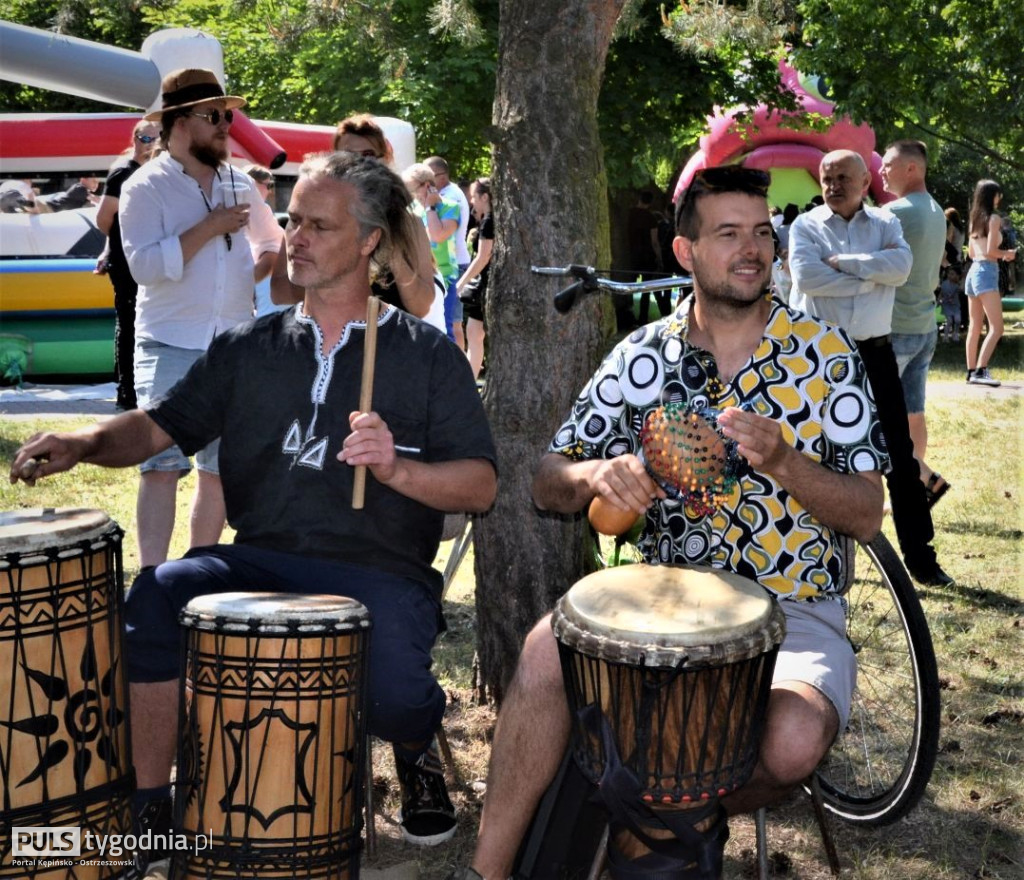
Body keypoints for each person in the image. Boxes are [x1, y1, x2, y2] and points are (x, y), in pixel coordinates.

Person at [10, 150, 498, 861]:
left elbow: (480, 485)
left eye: (317, 226)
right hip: (260, 558)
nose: (294, 238)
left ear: (367, 242)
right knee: (157, 594)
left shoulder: (424, 354)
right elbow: (156, 427)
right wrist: (85, 441)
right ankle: (151, 806)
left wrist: (395, 469)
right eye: (292, 220)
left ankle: (417, 747)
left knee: (395, 690)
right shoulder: (248, 347)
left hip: (380, 569)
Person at [458, 165, 887, 880]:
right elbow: (546, 481)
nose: (752, 250)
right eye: (728, 235)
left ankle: (651, 812)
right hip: (659, 603)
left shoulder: (826, 356)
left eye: (762, 234)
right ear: (685, 252)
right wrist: (599, 473)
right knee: (542, 654)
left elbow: (869, 515)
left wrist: (785, 461)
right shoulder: (641, 355)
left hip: (793, 607)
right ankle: (489, 871)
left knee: (791, 743)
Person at [118, 68, 282, 569]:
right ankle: (151, 578)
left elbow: (271, 242)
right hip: (168, 343)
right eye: (214, 115)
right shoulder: (144, 186)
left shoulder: (238, 182)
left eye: (228, 115)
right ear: (180, 122)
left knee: (217, 471)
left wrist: (244, 283)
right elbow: (144, 268)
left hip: (232, 345)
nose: (226, 125)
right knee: (161, 466)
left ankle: (196, 576)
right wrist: (208, 228)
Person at [788, 150, 953, 587]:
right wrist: (872, 273)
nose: (833, 185)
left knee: (900, 454)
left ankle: (921, 558)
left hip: (875, 353)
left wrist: (845, 265)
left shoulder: (885, 223)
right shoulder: (806, 226)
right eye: (826, 178)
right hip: (818, 356)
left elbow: (901, 268)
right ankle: (811, 553)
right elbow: (807, 279)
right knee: (813, 452)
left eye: (843, 177)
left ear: (865, 182)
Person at [270, 114, 437, 321]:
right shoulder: (308, 219)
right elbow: (278, 293)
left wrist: (393, 251)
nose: (358, 164)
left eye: (367, 155)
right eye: (347, 155)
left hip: (389, 345)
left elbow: (421, 307)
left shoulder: (407, 222)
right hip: (326, 340)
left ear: (385, 159)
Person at [880, 140, 950, 507]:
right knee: (913, 411)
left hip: (896, 328)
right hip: (923, 324)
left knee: (879, 417)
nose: (881, 171)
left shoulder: (898, 212)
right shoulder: (936, 209)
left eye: (887, 164)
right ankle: (914, 486)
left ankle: (922, 478)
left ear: (911, 168)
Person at [94, 119, 160, 410]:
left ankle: (140, 387)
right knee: (130, 321)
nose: (151, 145)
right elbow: (106, 219)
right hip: (128, 261)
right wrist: (115, 247)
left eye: (158, 139)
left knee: (141, 321)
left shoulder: (156, 174)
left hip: (143, 255)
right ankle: (127, 392)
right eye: (146, 139)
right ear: (135, 139)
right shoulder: (124, 173)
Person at [402, 163, 463, 343]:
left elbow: (437, 235)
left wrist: (431, 208)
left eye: (413, 190)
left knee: (446, 332)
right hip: (421, 276)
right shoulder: (413, 210)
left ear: (427, 186)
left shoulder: (451, 206)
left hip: (445, 277)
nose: (412, 197)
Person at [964, 179, 1016, 386]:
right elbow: (990, 252)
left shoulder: (974, 220)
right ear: (991, 196)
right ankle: (981, 370)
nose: (999, 198)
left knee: (974, 326)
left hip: (973, 271)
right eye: (997, 194)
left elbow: (970, 252)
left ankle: (971, 372)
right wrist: (1007, 253)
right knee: (997, 328)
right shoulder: (994, 219)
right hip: (986, 271)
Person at [426, 156, 472, 351]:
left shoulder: (450, 197)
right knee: (453, 324)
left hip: (453, 265)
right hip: (453, 264)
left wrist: (430, 206)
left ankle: (457, 373)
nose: (425, 185)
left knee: (452, 325)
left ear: (440, 176)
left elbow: (441, 234)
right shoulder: (448, 193)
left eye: (427, 178)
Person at [456, 177, 493, 380]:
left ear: (485, 197)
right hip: (486, 284)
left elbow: (483, 256)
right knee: (474, 334)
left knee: (474, 334)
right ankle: (469, 379)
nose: (471, 201)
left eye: (474, 197)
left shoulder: (489, 222)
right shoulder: (490, 220)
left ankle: (468, 381)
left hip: (485, 284)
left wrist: (462, 282)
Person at [242, 163, 288, 318]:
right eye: (267, 185)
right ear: (253, 183)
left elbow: (270, 260)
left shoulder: (262, 218)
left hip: (270, 315)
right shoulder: (256, 215)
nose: (269, 191)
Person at [626, 190, 670, 323]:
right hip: (647, 257)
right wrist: (660, 258)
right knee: (646, 289)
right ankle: (642, 317)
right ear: (650, 203)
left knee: (628, 287)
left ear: (639, 199)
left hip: (632, 255)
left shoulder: (629, 214)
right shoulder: (651, 218)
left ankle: (628, 314)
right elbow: (654, 241)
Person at [939, 268, 962, 343]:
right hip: (946, 305)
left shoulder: (958, 285)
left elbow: (961, 290)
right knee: (949, 321)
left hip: (955, 305)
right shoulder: (944, 284)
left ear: (957, 276)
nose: (950, 276)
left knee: (958, 320)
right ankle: (945, 336)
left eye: (952, 274)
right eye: (949, 274)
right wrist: (939, 301)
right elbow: (941, 294)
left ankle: (955, 334)